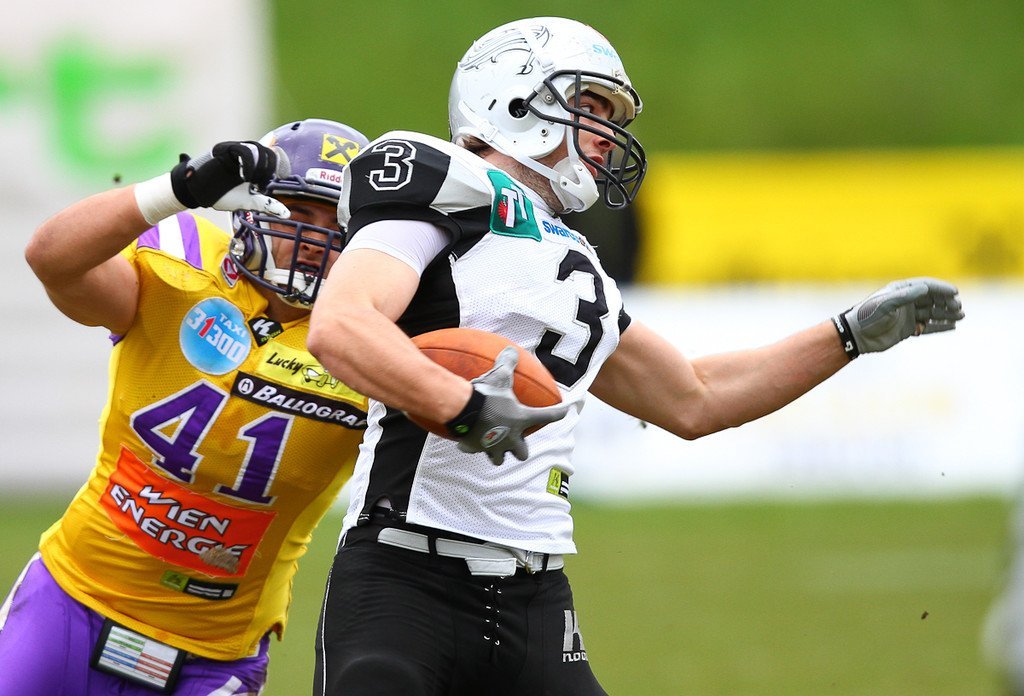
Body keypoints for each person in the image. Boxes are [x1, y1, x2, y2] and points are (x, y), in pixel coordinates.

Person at [305, 16, 965, 696]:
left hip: (536, 595)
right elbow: (344, 323)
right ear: (513, 98)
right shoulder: (445, 183)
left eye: (610, 116)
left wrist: (845, 336)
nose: (605, 132)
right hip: (404, 578)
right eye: (589, 106)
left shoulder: (575, 257)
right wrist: (465, 408)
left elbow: (695, 397)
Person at [0, 118, 370, 694]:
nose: (314, 238)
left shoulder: (371, 338)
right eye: (298, 211)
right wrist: (177, 189)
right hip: (69, 602)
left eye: (338, 225)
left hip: (213, 655)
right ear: (253, 207)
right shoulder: (184, 263)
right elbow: (52, 257)